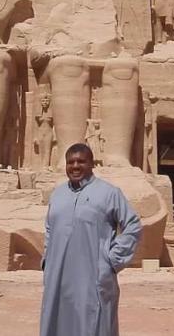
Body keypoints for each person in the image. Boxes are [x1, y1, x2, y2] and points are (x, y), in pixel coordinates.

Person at [40, 143, 142, 336]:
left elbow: (133, 225)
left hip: (92, 276)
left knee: (94, 324)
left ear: (92, 164)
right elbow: (49, 228)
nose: (75, 166)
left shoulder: (109, 193)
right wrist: (47, 261)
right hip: (58, 276)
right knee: (57, 323)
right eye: (71, 162)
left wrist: (111, 260)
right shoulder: (58, 194)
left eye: (81, 161)